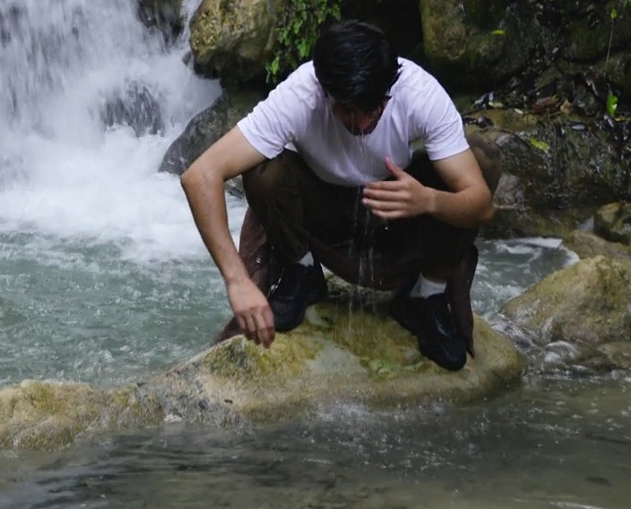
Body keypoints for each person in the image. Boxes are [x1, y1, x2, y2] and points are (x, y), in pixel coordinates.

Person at [179, 19, 500, 371]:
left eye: (372, 108)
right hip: (324, 209)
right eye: (348, 110)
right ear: (326, 92)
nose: (361, 123)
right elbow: (200, 176)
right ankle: (301, 272)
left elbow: (482, 206)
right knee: (262, 167)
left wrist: (428, 200)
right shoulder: (302, 93)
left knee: (480, 161)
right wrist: (237, 281)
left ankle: (426, 294)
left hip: (398, 213)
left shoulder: (419, 93)